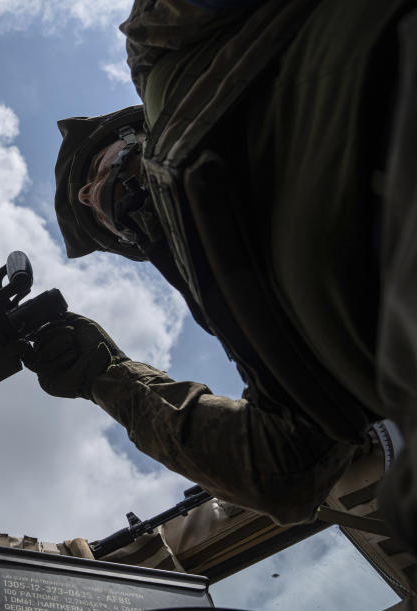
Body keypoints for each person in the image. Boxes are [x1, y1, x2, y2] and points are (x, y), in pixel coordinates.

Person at [29, 0, 417, 552]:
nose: (94, 196)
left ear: (138, 127)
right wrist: (103, 375)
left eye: (94, 169)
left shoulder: (170, 54)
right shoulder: (244, 306)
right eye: (93, 213)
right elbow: (285, 468)